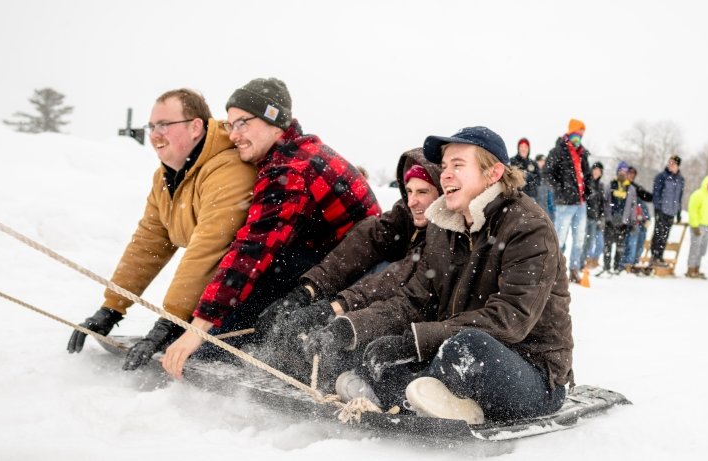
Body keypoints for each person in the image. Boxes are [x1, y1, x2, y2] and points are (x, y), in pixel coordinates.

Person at [302, 126, 573, 424]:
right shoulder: (445, 228)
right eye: (444, 167)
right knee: (374, 348)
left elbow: (509, 320)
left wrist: (413, 343)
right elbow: (411, 301)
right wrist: (350, 328)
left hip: (530, 372)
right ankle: (421, 397)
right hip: (450, 352)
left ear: (493, 173)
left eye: (458, 165)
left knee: (467, 349)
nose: (445, 175)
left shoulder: (528, 227)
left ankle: (406, 395)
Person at [159, 78, 381, 379]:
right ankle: (231, 339)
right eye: (230, 125)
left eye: (243, 124)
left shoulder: (291, 169)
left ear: (274, 121)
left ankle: (238, 348)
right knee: (263, 277)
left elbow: (252, 251)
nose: (234, 135)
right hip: (324, 264)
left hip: (356, 280)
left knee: (261, 273)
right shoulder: (288, 153)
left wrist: (199, 329)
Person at [66, 89, 257, 368]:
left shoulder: (228, 171)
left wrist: (170, 323)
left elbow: (208, 250)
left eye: (165, 125)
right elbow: (148, 243)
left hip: (261, 287)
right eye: (152, 126)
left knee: (210, 352)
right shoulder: (166, 177)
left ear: (195, 127)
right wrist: (112, 307)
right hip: (219, 294)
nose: (155, 134)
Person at [256, 148, 442, 383]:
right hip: (384, 303)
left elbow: (398, 279)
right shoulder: (406, 213)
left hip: (418, 315)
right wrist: (308, 291)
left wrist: (333, 309)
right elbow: (364, 241)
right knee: (365, 249)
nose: (413, 200)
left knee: (379, 276)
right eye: (409, 192)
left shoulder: (443, 234)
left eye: (423, 192)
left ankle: (338, 362)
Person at [546, 118, 591, 283]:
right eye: (577, 134)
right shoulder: (558, 151)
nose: (579, 137)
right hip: (565, 203)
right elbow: (548, 173)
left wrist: (589, 190)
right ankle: (554, 269)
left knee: (579, 237)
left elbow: (587, 176)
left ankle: (574, 268)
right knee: (560, 237)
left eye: (581, 135)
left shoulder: (582, 153)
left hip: (580, 203)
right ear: (570, 133)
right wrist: (560, 190)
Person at [650, 155, 685, 267]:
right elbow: (656, 194)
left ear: (677, 165)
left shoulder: (680, 180)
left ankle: (660, 256)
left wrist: (678, 212)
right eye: (669, 162)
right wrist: (658, 207)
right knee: (658, 233)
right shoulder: (661, 176)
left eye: (673, 163)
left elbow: (679, 197)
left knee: (665, 235)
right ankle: (654, 256)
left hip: (671, 211)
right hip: (661, 210)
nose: (670, 165)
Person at [685, 175, 708, 279]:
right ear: (705, 184)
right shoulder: (697, 195)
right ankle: (690, 269)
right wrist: (694, 225)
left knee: (702, 249)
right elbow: (692, 210)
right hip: (698, 226)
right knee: (695, 248)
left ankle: (696, 269)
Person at [583, 162, 607, 270]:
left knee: (591, 243)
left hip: (595, 218)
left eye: (599, 170)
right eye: (595, 169)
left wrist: (601, 217)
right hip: (586, 216)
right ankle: (580, 263)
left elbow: (601, 204)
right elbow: (585, 197)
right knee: (584, 242)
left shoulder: (600, 186)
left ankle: (587, 263)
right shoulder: (587, 182)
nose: (597, 172)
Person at [533, 154, 556, 220]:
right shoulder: (534, 174)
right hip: (538, 210)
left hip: (550, 212)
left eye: (544, 161)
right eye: (540, 161)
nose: (542, 163)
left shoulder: (549, 175)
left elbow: (551, 200)